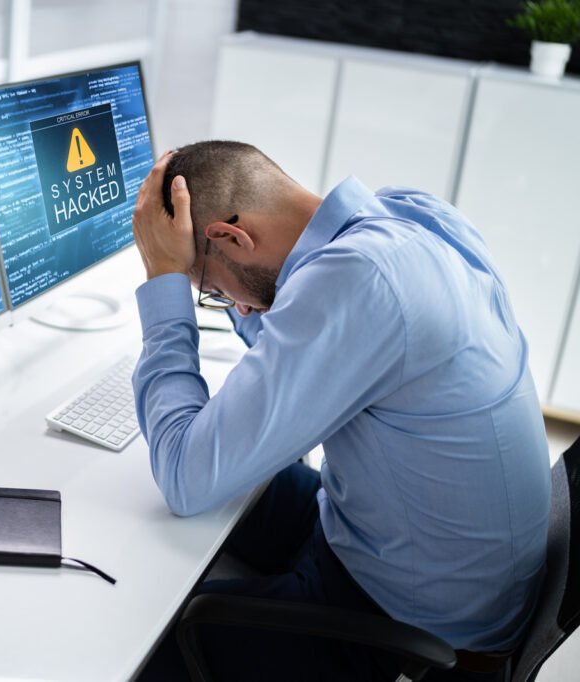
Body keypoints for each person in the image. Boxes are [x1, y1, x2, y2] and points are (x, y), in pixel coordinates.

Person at [130, 141, 551, 680]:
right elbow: (298, 334)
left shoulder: (358, 279)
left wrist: (163, 283)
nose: (230, 305)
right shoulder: (408, 214)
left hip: (407, 625)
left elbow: (185, 475)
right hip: (403, 542)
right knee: (229, 496)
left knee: (151, 635)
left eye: (206, 288)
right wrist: (204, 277)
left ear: (231, 237)